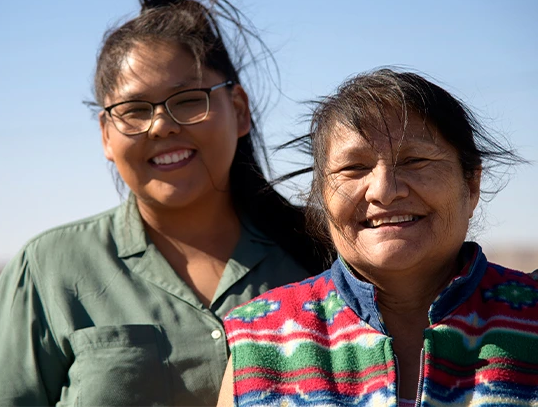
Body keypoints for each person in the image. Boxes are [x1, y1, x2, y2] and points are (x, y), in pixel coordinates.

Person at [0, 0, 329, 405]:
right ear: (106, 134)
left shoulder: (325, 250)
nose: (161, 126)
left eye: (188, 100)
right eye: (135, 110)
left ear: (240, 109)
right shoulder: (49, 269)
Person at [218, 68, 538, 406]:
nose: (384, 191)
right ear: (322, 196)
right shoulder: (261, 339)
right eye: (354, 168)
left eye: (415, 160)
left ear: (471, 185)